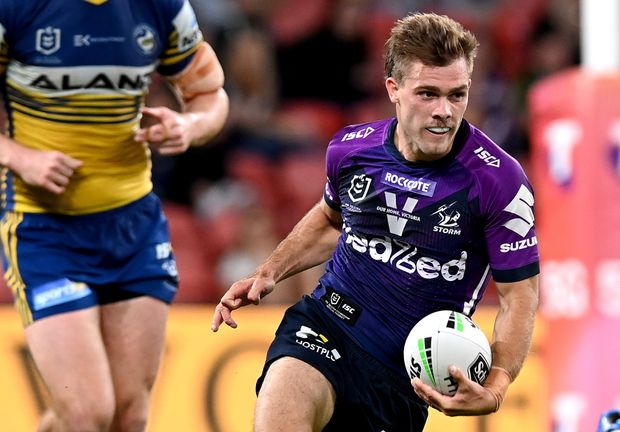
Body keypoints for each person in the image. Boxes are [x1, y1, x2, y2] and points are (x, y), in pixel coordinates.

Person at [211, 12, 539, 432]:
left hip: (400, 382)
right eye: (427, 94)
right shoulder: (351, 150)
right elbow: (332, 220)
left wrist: (496, 386)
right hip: (326, 324)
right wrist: (269, 272)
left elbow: (520, 297)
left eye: (457, 95)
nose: (444, 111)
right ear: (394, 89)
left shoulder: (500, 181)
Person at [0, 1, 228, 431]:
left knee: (129, 415)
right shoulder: (17, 8)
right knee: (87, 413)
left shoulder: (161, 7)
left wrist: (189, 126)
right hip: (44, 229)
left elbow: (210, 93)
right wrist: (21, 157)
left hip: (132, 227)